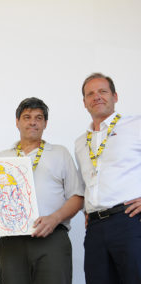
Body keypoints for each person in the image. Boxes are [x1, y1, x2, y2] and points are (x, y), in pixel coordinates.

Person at [0, 97, 83, 284]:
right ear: (17, 122)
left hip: (52, 237)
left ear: (45, 124)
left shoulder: (60, 153)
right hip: (11, 241)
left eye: (39, 118)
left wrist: (54, 219)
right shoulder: (2, 157)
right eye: (27, 117)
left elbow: (78, 196)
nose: (33, 122)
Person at [75, 73, 141, 284]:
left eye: (103, 91)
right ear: (84, 102)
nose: (97, 97)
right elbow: (88, 181)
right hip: (94, 228)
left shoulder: (135, 126)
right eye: (90, 94)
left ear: (115, 96)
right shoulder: (80, 142)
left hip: (129, 221)